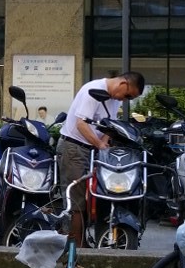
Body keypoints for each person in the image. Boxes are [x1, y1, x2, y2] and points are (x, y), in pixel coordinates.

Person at [56, 72, 145, 245]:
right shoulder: (93, 90)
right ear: (123, 84)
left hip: (93, 149)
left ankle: (87, 242)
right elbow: (80, 124)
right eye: (128, 95)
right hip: (74, 147)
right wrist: (99, 144)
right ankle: (75, 247)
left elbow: (109, 127)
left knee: (98, 195)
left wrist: (104, 144)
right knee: (77, 201)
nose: (125, 100)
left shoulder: (114, 99)